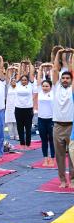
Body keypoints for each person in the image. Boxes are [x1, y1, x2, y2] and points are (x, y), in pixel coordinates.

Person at [52, 48, 74, 188]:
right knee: (59, 156)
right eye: (63, 78)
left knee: (72, 156)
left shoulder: (72, 89)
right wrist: (59, 54)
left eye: (67, 78)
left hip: (71, 127)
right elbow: (55, 70)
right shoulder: (56, 87)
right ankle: (62, 180)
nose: (65, 80)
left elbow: (72, 71)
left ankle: (72, 179)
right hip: (58, 126)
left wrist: (72, 55)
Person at [37, 64, 55, 166]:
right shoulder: (39, 92)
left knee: (51, 140)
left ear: (51, 87)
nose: (44, 87)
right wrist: (40, 68)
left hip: (51, 120)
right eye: (43, 86)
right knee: (44, 140)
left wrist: (52, 67)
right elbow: (39, 78)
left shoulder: (53, 92)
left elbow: (54, 76)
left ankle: (52, 158)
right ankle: (45, 158)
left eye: (47, 86)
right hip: (41, 119)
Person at [14, 61, 35, 149]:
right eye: (22, 80)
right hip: (18, 109)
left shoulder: (30, 85)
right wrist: (20, 65)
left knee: (28, 127)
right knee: (20, 127)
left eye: (25, 80)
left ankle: (28, 144)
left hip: (28, 109)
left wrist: (29, 64)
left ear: (27, 80)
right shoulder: (18, 84)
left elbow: (31, 73)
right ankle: (22, 144)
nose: (24, 81)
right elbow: (19, 74)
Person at [5, 68, 19, 141]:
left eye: (14, 81)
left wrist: (17, 70)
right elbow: (7, 78)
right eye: (12, 81)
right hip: (9, 107)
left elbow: (19, 76)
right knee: (10, 122)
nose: (13, 82)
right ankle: (11, 135)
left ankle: (17, 135)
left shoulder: (18, 87)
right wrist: (8, 70)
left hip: (16, 106)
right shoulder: (8, 87)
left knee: (16, 121)